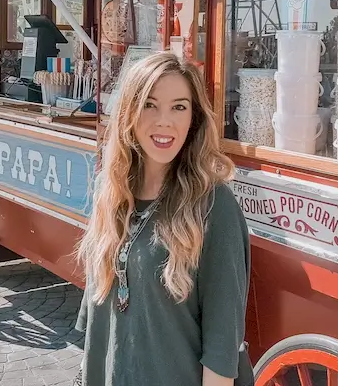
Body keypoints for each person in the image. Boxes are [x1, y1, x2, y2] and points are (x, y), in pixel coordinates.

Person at [76, 52, 250, 386]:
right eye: (150, 105)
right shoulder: (109, 192)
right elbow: (98, 327)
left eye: (179, 107)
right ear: (130, 112)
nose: (164, 121)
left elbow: (222, 345)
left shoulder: (214, 205)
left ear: (194, 119)